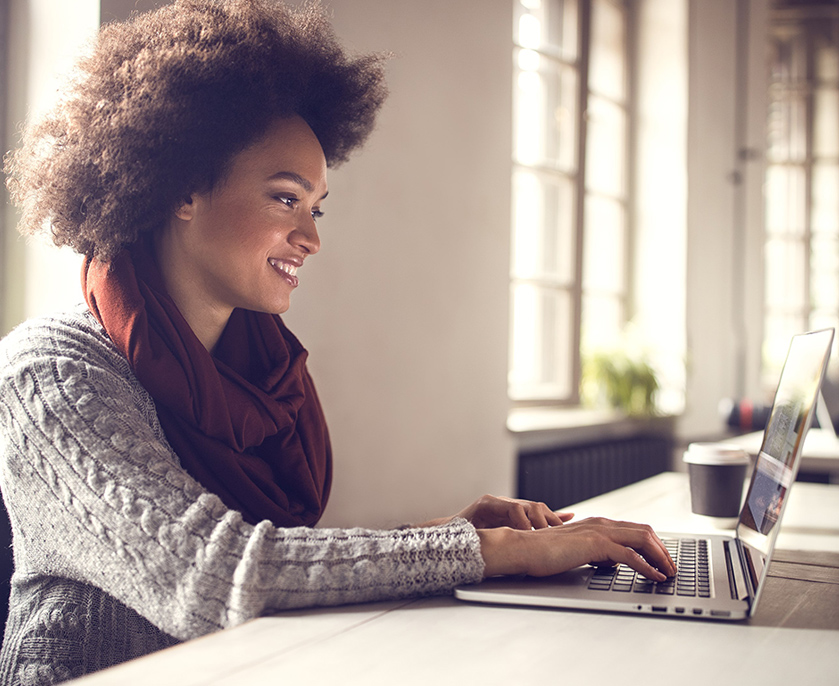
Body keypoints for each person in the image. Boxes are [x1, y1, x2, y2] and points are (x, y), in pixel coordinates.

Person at [0, 1, 675, 683]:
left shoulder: (256, 370)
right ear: (182, 189)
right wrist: (488, 549)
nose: (312, 238)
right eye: (285, 199)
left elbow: (278, 563)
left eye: (316, 208)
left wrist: (442, 537)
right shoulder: (50, 372)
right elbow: (219, 574)